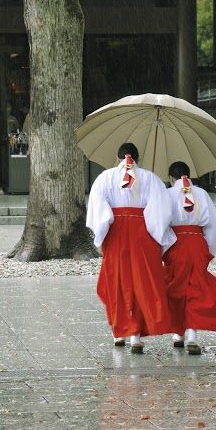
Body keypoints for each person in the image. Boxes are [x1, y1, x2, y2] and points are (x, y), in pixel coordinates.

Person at [86, 143, 176, 354]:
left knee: (116, 282)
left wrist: (100, 237)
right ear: (138, 158)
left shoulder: (104, 178)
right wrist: (158, 237)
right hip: (143, 232)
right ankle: (136, 335)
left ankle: (119, 332)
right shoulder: (150, 178)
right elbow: (160, 212)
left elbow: (99, 211)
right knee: (140, 282)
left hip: (115, 233)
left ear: (117, 159)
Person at [163, 161, 216, 355]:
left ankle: (179, 333)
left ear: (171, 178)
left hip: (175, 245)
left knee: (176, 287)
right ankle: (191, 335)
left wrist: (163, 249)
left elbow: (160, 223)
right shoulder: (202, 194)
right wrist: (209, 250)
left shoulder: (167, 194)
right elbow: (215, 225)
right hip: (197, 243)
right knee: (195, 287)